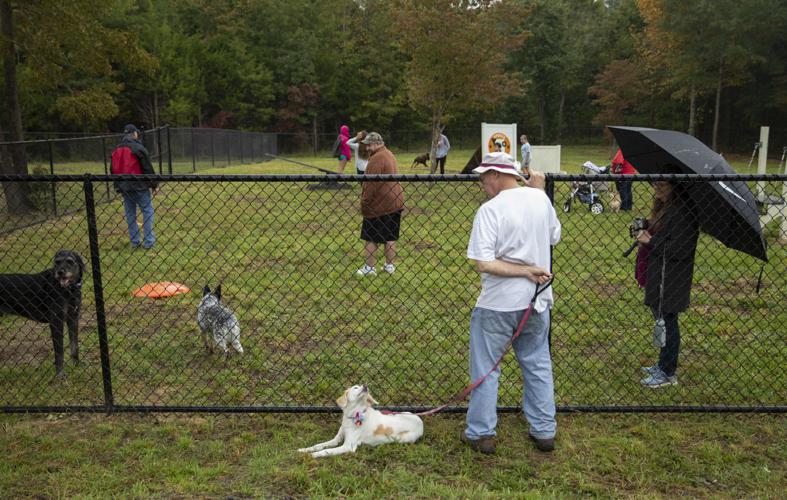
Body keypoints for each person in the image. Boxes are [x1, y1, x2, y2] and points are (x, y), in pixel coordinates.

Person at [460, 152, 561, 455]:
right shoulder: (540, 199)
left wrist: (522, 269)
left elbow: (482, 262)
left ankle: (481, 433)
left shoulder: (490, 210)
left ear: (497, 174)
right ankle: (544, 430)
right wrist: (540, 192)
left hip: (498, 305)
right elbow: (554, 235)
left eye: (483, 177)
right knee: (537, 363)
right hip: (537, 302)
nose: (481, 183)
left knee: (486, 368)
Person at [635, 179, 699, 388]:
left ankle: (667, 372)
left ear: (676, 187)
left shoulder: (683, 212)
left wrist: (650, 241)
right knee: (662, 319)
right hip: (661, 274)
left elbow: (680, 248)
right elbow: (666, 235)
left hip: (672, 277)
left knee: (668, 322)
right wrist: (647, 226)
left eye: (663, 185)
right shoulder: (668, 208)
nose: (657, 189)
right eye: (656, 184)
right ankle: (663, 364)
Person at [355, 132, 404, 276]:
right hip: (395, 202)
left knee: (370, 237)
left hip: (379, 205)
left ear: (377, 143)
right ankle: (389, 267)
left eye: (369, 145)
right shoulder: (389, 154)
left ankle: (369, 268)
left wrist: (364, 203)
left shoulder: (376, 159)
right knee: (390, 236)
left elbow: (370, 185)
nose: (368, 148)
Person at [111, 124, 158, 249]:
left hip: (124, 186)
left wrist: (117, 185)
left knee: (130, 213)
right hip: (139, 185)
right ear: (134, 134)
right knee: (147, 210)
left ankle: (135, 241)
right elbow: (147, 168)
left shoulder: (116, 149)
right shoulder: (138, 148)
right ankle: (149, 241)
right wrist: (153, 184)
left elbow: (113, 169)